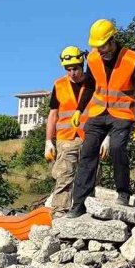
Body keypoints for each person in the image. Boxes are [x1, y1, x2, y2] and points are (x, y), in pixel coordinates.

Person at [67, 19, 135, 217]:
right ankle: (79, 203)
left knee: (117, 147)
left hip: (122, 114)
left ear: (112, 40)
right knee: (87, 152)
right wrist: (79, 109)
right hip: (97, 112)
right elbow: (91, 85)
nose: (101, 52)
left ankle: (123, 193)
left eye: (103, 47)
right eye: (98, 48)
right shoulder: (93, 58)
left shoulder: (131, 59)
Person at [44, 46, 89, 214]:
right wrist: (49, 141)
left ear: (82, 65)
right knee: (64, 176)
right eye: (68, 69)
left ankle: (85, 211)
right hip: (66, 138)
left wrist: (105, 138)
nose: (72, 73)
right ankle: (59, 212)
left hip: (90, 137)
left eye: (75, 68)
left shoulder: (92, 83)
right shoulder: (59, 84)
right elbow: (53, 114)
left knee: (90, 177)